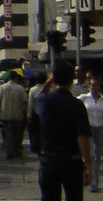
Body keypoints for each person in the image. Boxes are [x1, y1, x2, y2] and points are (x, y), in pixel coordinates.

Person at [37, 60, 91, 201]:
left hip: (49, 159)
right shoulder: (77, 105)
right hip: (72, 161)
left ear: (54, 79)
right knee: (74, 197)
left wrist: (49, 82)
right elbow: (82, 137)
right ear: (71, 81)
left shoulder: (44, 102)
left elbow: (39, 97)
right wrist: (87, 164)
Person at [79, 75, 103, 192]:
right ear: (89, 86)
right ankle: (91, 180)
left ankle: (95, 182)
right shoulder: (84, 98)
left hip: (100, 129)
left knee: (98, 156)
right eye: (92, 85)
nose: (94, 87)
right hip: (89, 129)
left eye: (97, 85)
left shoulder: (102, 100)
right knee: (92, 155)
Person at [0, 72, 28, 159]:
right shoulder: (20, 89)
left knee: (8, 134)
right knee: (18, 135)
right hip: (18, 114)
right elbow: (25, 102)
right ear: (16, 78)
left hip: (6, 115)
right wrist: (26, 113)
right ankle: (16, 151)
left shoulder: (2, 88)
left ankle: (10, 152)